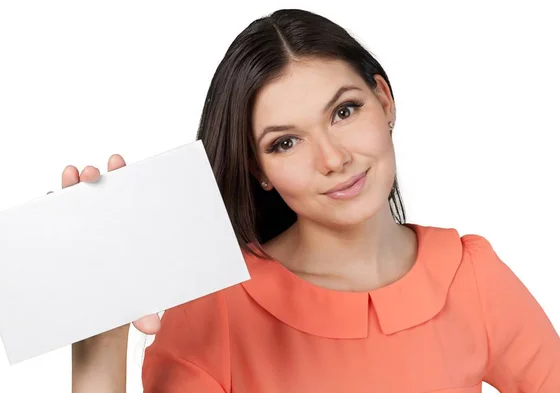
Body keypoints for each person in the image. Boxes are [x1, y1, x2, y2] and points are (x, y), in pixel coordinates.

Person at [68, 8, 560, 393]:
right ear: (258, 168)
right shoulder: (215, 306)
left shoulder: (469, 275)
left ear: (384, 100)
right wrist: (99, 344)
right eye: (286, 142)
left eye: (344, 111)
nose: (332, 158)